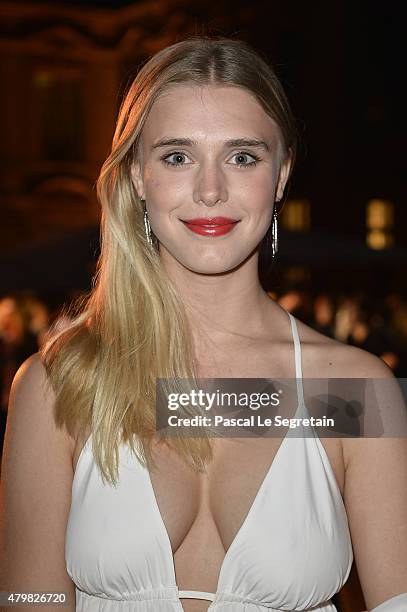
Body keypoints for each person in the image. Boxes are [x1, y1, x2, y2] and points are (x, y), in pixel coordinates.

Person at [1, 37, 406, 612]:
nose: (211, 190)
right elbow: (28, 599)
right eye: (177, 156)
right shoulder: (59, 384)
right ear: (138, 175)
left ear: (282, 174)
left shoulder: (352, 392)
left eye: (242, 157)